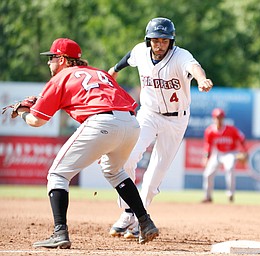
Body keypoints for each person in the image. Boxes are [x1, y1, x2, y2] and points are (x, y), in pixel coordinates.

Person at [14, 38, 159, 248]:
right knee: (115, 171)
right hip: (131, 123)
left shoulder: (61, 76)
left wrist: (22, 113)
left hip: (101, 122)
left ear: (63, 59)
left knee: (57, 175)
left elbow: (37, 121)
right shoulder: (99, 73)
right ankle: (145, 222)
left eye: (52, 57)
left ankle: (60, 233)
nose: (49, 63)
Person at [107, 17, 213, 238]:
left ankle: (139, 219)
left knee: (156, 173)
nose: (159, 44)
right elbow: (129, 58)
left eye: (164, 40)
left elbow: (194, 67)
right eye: (155, 39)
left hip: (176, 119)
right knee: (126, 157)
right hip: (148, 114)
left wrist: (202, 79)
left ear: (171, 41)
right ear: (148, 40)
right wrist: (115, 69)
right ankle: (128, 212)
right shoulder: (140, 51)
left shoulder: (180, 56)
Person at [201, 108, 247, 203]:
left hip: (230, 152)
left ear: (223, 118)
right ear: (213, 118)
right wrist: (206, 158)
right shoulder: (210, 131)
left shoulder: (231, 129)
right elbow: (208, 145)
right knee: (207, 174)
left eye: (221, 117)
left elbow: (242, 138)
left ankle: (230, 194)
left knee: (229, 168)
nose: (219, 119)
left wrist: (244, 151)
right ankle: (208, 197)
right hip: (217, 153)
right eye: (217, 117)